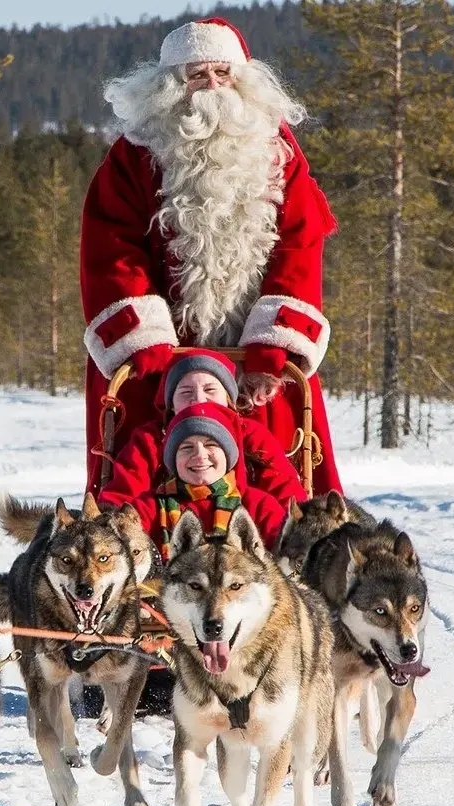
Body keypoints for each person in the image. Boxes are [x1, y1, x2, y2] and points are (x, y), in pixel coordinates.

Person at [80, 16, 342, 501]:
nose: (212, 87)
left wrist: (272, 346)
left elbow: (300, 247)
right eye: (197, 75)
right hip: (160, 362)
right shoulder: (131, 157)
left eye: (224, 74)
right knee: (142, 470)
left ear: (245, 82)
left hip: (254, 357)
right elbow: (111, 252)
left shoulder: (280, 157)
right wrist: (145, 344)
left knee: (278, 474)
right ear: (167, 88)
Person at [98, 349, 307, 511]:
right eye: (186, 391)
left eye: (210, 390)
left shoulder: (250, 434)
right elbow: (125, 491)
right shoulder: (151, 438)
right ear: (171, 403)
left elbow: (283, 487)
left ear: (228, 399)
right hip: (167, 528)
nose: (198, 399)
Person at [130, 402, 287, 559]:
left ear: (228, 455)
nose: (200, 455)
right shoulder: (150, 506)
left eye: (211, 444)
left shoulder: (259, 505)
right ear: (173, 460)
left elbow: (289, 551)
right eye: (187, 448)